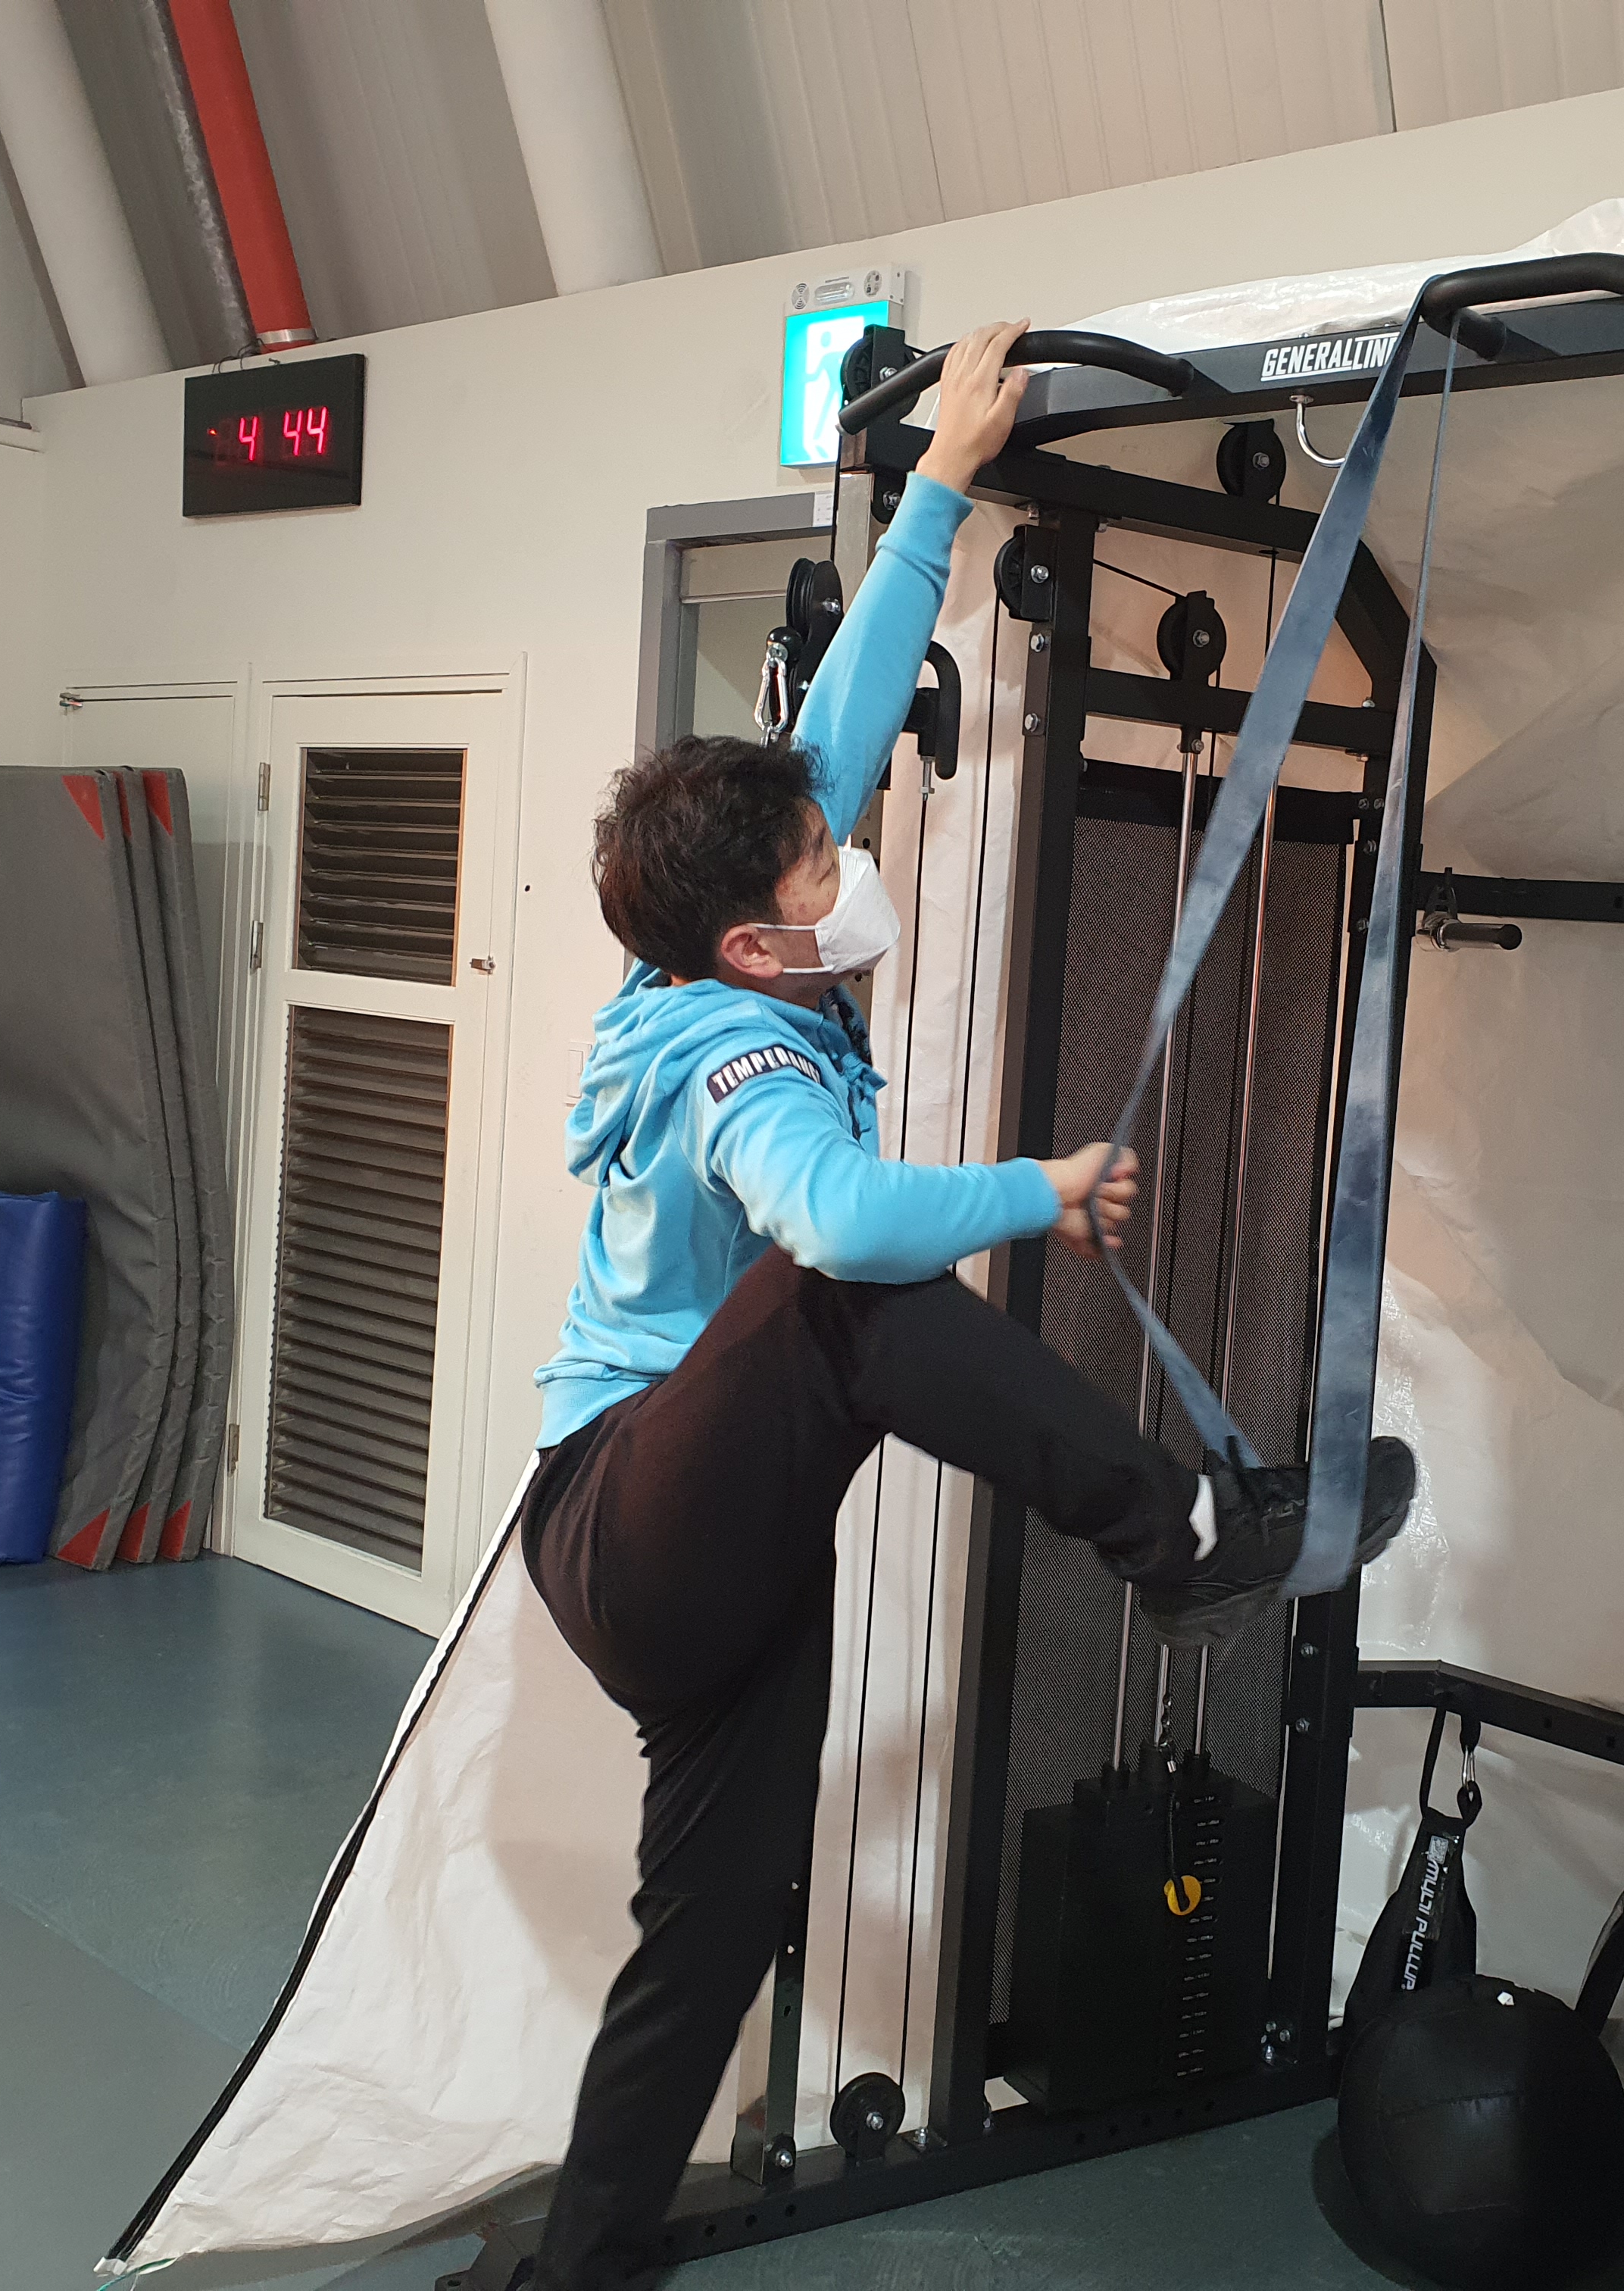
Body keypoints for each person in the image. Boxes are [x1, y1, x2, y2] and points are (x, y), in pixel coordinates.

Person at [520, 319, 1416, 2288]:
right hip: (628, 1517)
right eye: (817, 866)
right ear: (755, 939)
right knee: (842, 1293)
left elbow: (835, 731)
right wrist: (1042, 1188)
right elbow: (841, 1222)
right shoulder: (738, 1065)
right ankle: (1178, 1535)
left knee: (718, 1913)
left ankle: (586, 2262)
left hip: (712, 1548)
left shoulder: (718, 958)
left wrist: (942, 479)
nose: (846, 857)